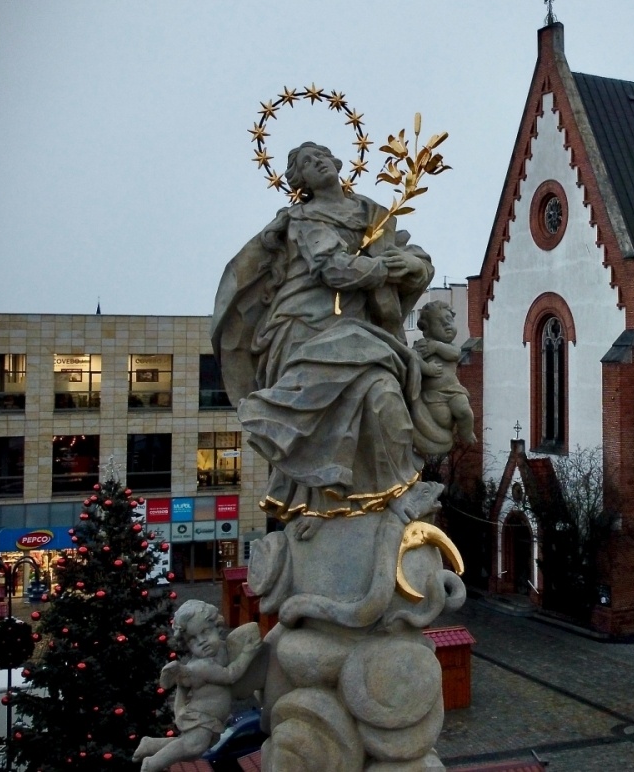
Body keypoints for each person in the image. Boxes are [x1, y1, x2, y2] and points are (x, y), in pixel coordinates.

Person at [212, 142, 436, 523]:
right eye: (306, 163)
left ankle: (394, 492)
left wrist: (414, 264)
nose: (317, 163)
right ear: (301, 181)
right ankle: (322, 504)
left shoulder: (370, 212)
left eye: (320, 156)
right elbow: (333, 268)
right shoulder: (304, 219)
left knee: (384, 394)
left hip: (355, 331)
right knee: (345, 403)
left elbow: (408, 253)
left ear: (336, 162)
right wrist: (385, 268)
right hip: (304, 329)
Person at [133, 601, 261, 772]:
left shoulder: (220, 650)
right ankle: (153, 763)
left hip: (212, 718)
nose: (202, 642)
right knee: (192, 747)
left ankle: (150, 744)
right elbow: (231, 675)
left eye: (205, 631)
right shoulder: (202, 666)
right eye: (192, 639)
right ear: (186, 645)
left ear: (217, 627)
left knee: (192, 749)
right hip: (202, 717)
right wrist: (247, 653)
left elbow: (183, 685)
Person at [412, 301, 477, 454]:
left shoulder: (451, 346)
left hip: (454, 391)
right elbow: (412, 359)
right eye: (440, 322)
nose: (447, 325)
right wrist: (427, 368)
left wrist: (436, 347)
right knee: (442, 419)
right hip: (432, 395)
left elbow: (455, 354)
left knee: (464, 412)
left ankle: (466, 432)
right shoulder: (422, 344)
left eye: (449, 320)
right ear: (427, 328)